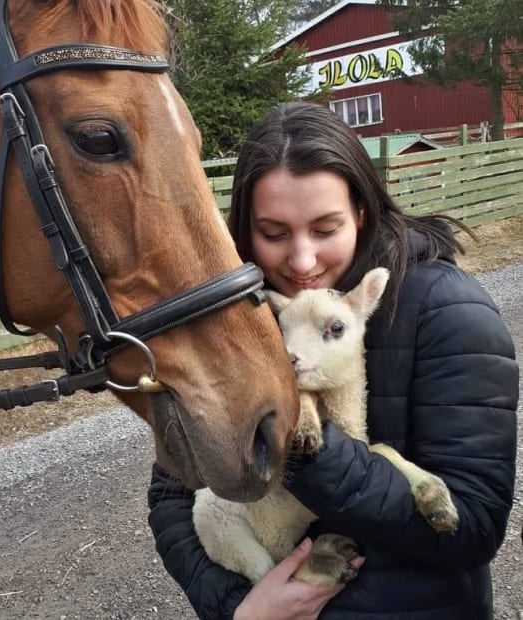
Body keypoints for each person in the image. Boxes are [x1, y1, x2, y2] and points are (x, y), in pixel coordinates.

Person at [147, 101, 519, 620]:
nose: (301, 262)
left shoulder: (447, 314)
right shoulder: (236, 323)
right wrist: (242, 607)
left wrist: (305, 447)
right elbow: (171, 494)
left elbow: (473, 527)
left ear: (361, 212)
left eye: (325, 229)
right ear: (246, 229)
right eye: (274, 234)